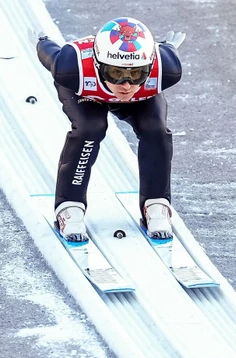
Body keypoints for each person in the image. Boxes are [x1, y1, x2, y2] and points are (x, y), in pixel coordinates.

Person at [36, 17, 186, 242]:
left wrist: (167, 47)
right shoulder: (71, 67)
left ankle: (156, 202)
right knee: (90, 127)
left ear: (150, 67)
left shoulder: (167, 68)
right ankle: (69, 206)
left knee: (155, 129)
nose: (126, 85)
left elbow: (165, 52)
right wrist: (42, 41)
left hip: (138, 97)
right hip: (84, 92)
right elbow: (51, 56)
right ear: (98, 65)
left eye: (136, 73)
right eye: (115, 73)